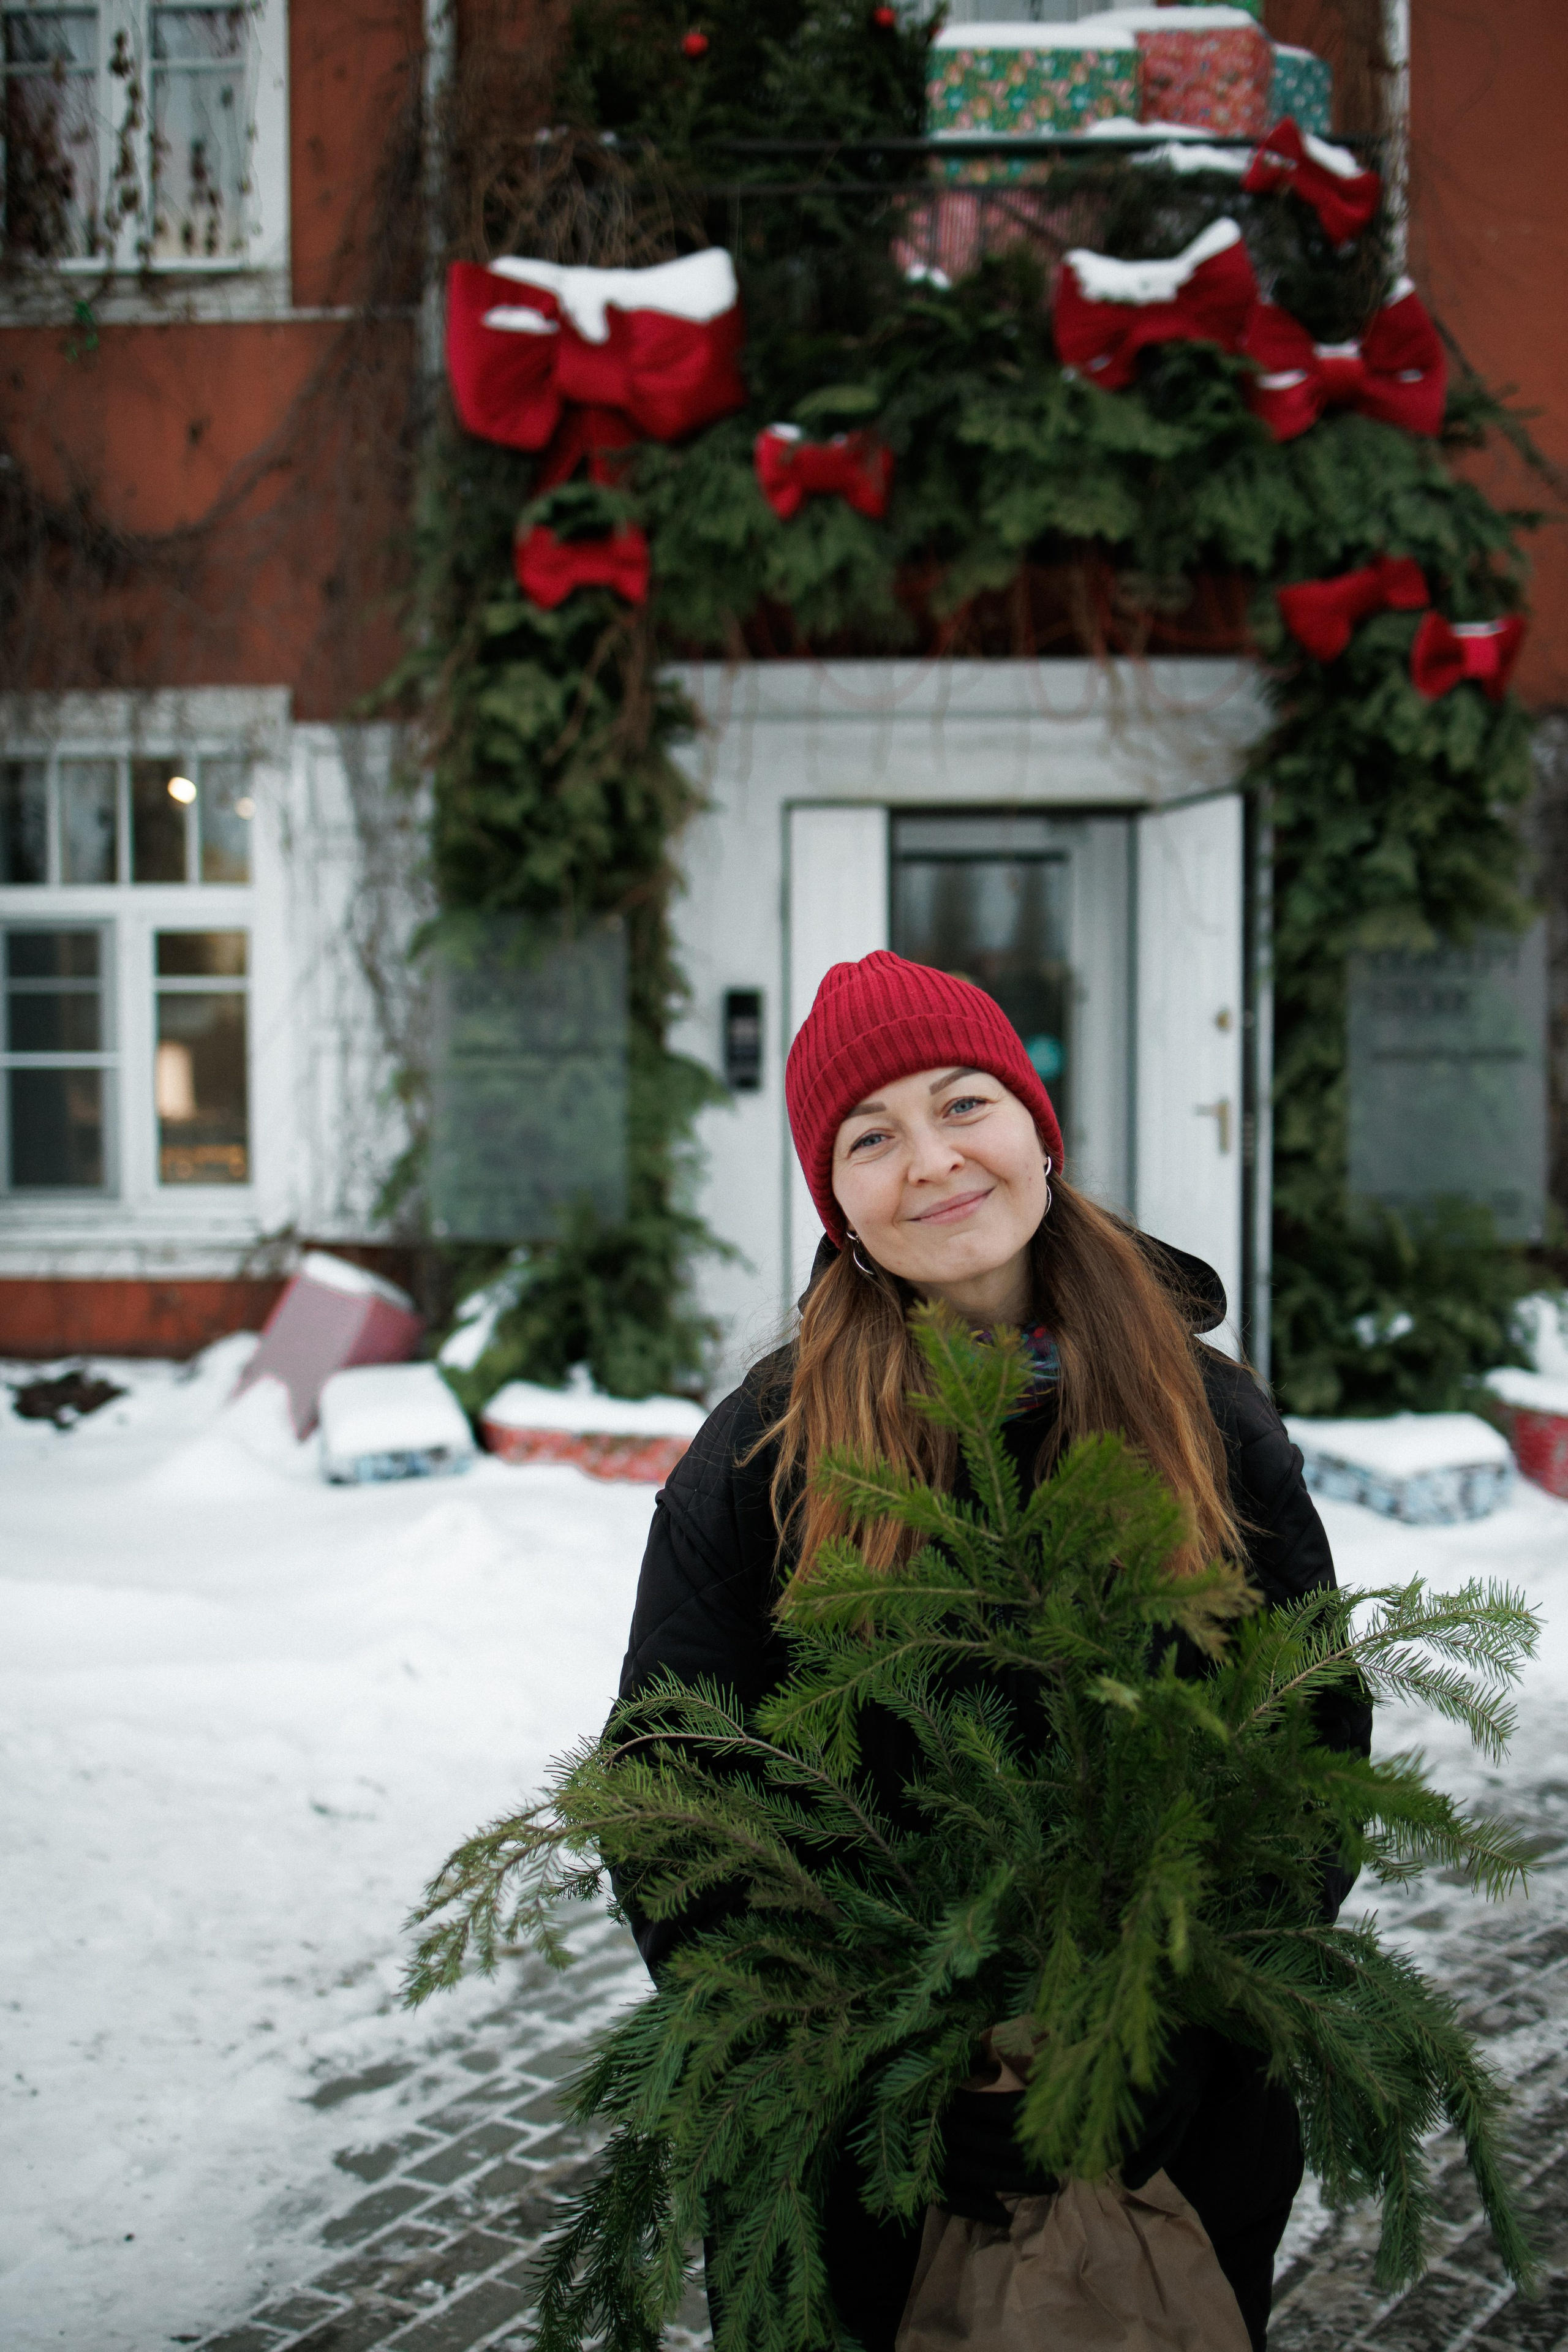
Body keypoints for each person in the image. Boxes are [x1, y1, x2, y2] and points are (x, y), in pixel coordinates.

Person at [617, 949, 1371, 2352]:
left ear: (1036, 1127)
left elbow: (1303, 1744)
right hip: (858, 2175)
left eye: (963, 1104)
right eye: (869, 1136)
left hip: (1171, 2144)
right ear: (832, 1202)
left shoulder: (1202, 1419)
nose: (931, 1162)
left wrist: (1184, 2039)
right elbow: (675, 1802)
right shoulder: (761, 1462)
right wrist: (867, 2079)